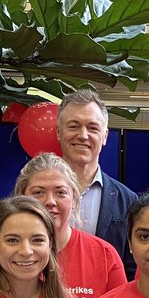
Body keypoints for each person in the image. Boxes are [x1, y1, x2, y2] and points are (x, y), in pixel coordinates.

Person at [13, 153, 127, 298]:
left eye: (60, 193)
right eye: (38, 192)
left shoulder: (105, 256)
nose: (50, 201)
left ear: (74, 200)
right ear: (21, 198)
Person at [56, 90, 137, 277]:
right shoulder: (34, 194)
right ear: (59, 132)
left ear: (105, 136)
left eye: (93, 128)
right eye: (73, 126)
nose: (83, 135)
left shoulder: (127, 200)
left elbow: (132, 269)